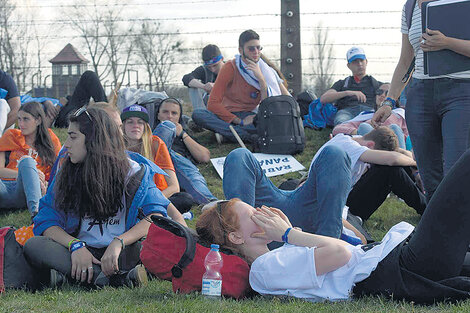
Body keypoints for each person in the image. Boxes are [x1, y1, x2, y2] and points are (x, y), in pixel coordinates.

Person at [196, 146, 470, 303]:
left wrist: (291, 233)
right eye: (251, 213)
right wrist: (289, 234)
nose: (260, 212)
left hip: (398, 261)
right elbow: (341, 253)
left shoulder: (273, 260)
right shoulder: (263, 271)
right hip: (402, 268)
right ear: (236, 238)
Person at [24, 107, 184, 289]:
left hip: (123, 249)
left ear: (94, 139)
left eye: (73, 137)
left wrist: (119, 242)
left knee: (158, 246)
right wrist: (75, 245)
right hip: (80, 251)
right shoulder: (65, 171)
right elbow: (46, 220)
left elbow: (156, 216)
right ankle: (118, 278)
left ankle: (83, 277)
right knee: (34, 245)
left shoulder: (134, 171)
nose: (66, 144)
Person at [222, 127, 419, 239]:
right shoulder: (345, 143)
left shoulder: (344, 151)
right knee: (239, 156)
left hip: (312, 212)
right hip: (276, 211)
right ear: (370, 145)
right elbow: (392, 161)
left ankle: (327, 242)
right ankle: (242, 236)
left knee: (335, 156)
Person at [371, 0, 470, 201]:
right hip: (420, 95)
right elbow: (405, 60)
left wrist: (448, 42)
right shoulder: (409, 7)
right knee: (430, 177)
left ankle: (460, 228)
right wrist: (390, 101)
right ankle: (437, 230)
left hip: (461, 92)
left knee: (455, 173)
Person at [192, 29, 291, 143]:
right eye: (251, 48)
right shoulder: (230, 67)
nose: (256, 51)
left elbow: (271, 103)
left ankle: (227, 134)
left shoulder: (266, 70)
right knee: (198, 114)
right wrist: (239, 121)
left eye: (258, 48)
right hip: (227, 115)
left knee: (270, 124)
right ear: (240, 50)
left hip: (252, 114)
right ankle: (244, 136)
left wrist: (261, 80)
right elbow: (213, 103)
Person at [0, 102, 61, 216]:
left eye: (26, 119)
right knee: (27, 163)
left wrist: (31, 173)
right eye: (19, 119)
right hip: (5, 187)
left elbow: (58, 172)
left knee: (27, 161)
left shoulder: (51, 140)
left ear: (38, 120)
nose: (21, 124)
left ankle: (36, 213)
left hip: (29, 191)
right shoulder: (11, 135)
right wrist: (28, 173)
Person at [153, 98, 216, 205]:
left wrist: (182, 134)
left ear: (179, 117)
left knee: (179, 161)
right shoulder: (149, 132)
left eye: (174, 113)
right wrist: (169, 127)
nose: (169, 116)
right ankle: (210, 201)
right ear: (158, 115)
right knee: (167, 127)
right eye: (165, 112)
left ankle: (211, 202)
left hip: (178, 172)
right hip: (154, 165)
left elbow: (205, 157)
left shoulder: (185, 136)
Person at [121, 104, 179, 199]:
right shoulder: (116, 147)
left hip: (158, 195)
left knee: (185, 199)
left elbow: (174, 187)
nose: (135, 126)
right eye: (130, 122)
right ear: (123, 126)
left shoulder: (155, 144)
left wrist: (153, 201)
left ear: (145, 127)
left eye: (140, 122)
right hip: (130, 199)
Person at [332, 83, 409, 149]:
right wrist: (356, 131)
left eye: (387, 93)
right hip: (373, 150)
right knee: (364, 127)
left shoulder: (399, 114)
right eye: (379, 92)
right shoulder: (366, 115)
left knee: (393, 127)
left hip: (396, 148)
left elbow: (388, 126)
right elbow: (337, 129)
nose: (382, 95)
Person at [320, 47, 381, 126]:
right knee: (341, 122)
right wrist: (348, 93)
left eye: (361, 60)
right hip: (347, 112)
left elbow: (391, 93)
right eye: (355, 61)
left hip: (369, 112)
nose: (359, 64)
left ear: (366, 62)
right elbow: (324, 98)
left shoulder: (375, 83)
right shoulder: (342, 83)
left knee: (373, 124)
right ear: (349, 65)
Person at [182, 44, 224, 111]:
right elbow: (186, 78)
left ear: (222, 59)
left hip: (229, 105)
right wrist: (204, 86)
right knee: (193, 86)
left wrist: (216, 86)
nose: (212, 69)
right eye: (209, 67)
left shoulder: (231, 68)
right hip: (209, 106)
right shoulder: (204, 69)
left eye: (215, 65)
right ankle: (201, 112)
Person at [0, 69, 21, 136]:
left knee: (2, 103)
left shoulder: (4, 78)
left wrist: (2, 125)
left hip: (4, 123)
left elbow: (16, 109)